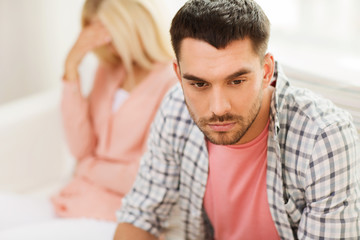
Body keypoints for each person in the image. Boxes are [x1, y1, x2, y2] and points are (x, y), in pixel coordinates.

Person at [114, 0, 360, 239]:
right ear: (179, 75)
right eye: (199, 84)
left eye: (236, 81)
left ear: (266, 71)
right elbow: (139, 216)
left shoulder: (324, 137)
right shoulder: (175, 108)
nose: (219, 108)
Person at [52, 0, 177, 221]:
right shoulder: (108, 70)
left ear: (132, 25)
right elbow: (81, 149)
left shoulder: (171, 82)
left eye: (106, 31)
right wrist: (71, 68)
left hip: (119, 214)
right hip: (74, 200)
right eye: (93, 31)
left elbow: (144, 177)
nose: (102, 42)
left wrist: (87, 168)